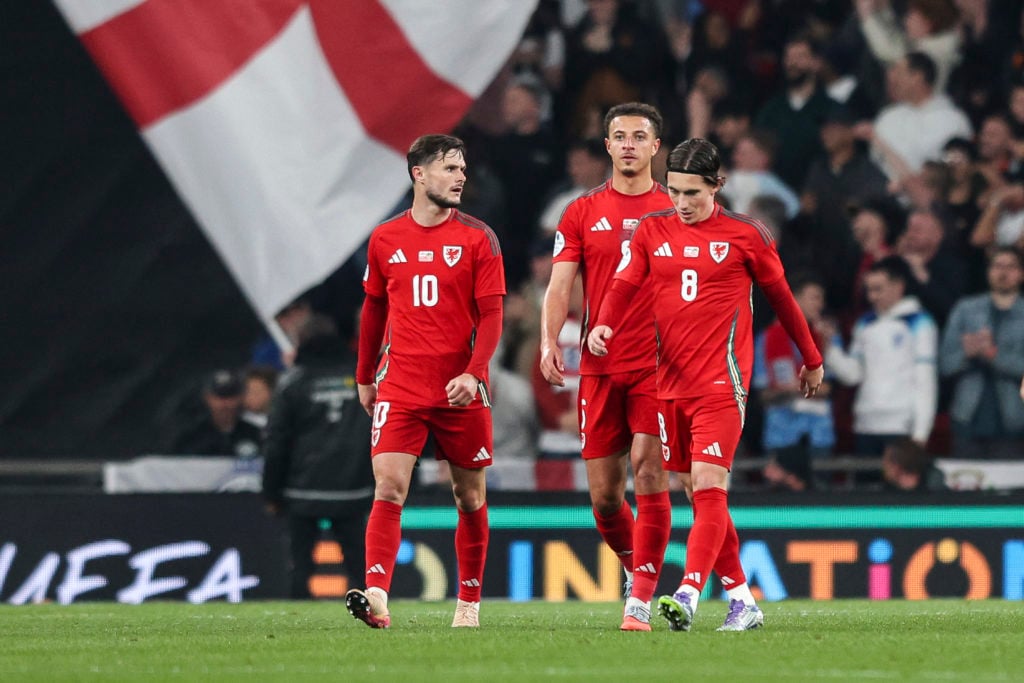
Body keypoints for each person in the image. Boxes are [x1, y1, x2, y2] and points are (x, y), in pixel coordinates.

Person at [588, 138, 824, 632]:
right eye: (674, 191)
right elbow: (626, 282)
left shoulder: (745, 235)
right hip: (668, 382)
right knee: (694, 488)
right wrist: (604, 322)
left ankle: (689, 593)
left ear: (717, 186)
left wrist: (811, 357)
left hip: (722, 381)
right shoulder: (653, 230)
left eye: (692, 193)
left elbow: (781, 298)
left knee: (711, 487)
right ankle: (743, 600)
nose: (681, 202)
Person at [345, 134, 505, 630]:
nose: (461, 177)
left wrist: (474, 373)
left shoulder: (479, 237)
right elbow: (374, 309)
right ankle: (376, 596)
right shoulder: (385, 238)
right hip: (403, 385)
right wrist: (365, 375)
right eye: (450, 168)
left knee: (469, 497)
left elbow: (493, 313)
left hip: (460, 387)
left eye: (463, 168)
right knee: (389, 487)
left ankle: (468, 604)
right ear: (419, 174)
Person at [540, 102, 673, 632]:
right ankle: (637, 569)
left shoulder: (676, 208)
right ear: (607, 145)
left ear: (656, 147)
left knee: (648, 470)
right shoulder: (580, 211)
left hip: (660, 365)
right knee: (605, 498)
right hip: (599, 366)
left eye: (639, 136)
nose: (628, 145)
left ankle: (638, 600)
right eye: (619, 136)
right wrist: (551, 340)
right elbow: (559, 284)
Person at [262, 315, 374, 599]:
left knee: (300, 566)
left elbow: (276, 442)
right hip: (354, 487)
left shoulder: (293, 383)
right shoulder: (363, 377)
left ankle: (297, 627)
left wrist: (271, 492)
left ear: (301, 343)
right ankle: (371, 618)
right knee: (360, 566)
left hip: (303, 490)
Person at [826, 256, 939, 453]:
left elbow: (925, 380)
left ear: (899, 286)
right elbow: (853, 375)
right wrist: (830, 350)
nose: (872, 297)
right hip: (866, 423)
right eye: (868, 290)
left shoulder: (919, 323)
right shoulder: (865, 324)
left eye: (878, 289)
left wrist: (921, 433)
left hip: (901, 424)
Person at [939, 247, 1024, 458]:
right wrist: (967, 353)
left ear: (1021, 273)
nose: (1003, 272)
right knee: (966, 484)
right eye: (997, 266)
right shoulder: (965, 309)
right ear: (988, 271)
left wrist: (993, 355)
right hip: (966, 417)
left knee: (1009, 488)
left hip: (1012, 421)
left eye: (1010, 266)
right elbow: (945, 364)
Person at [169, 369, 263, 457]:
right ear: (208, 398)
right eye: (219, 397)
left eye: (230, 397)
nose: (225, 404)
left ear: (240, 398)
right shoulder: (191, 437)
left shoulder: (256, 434)